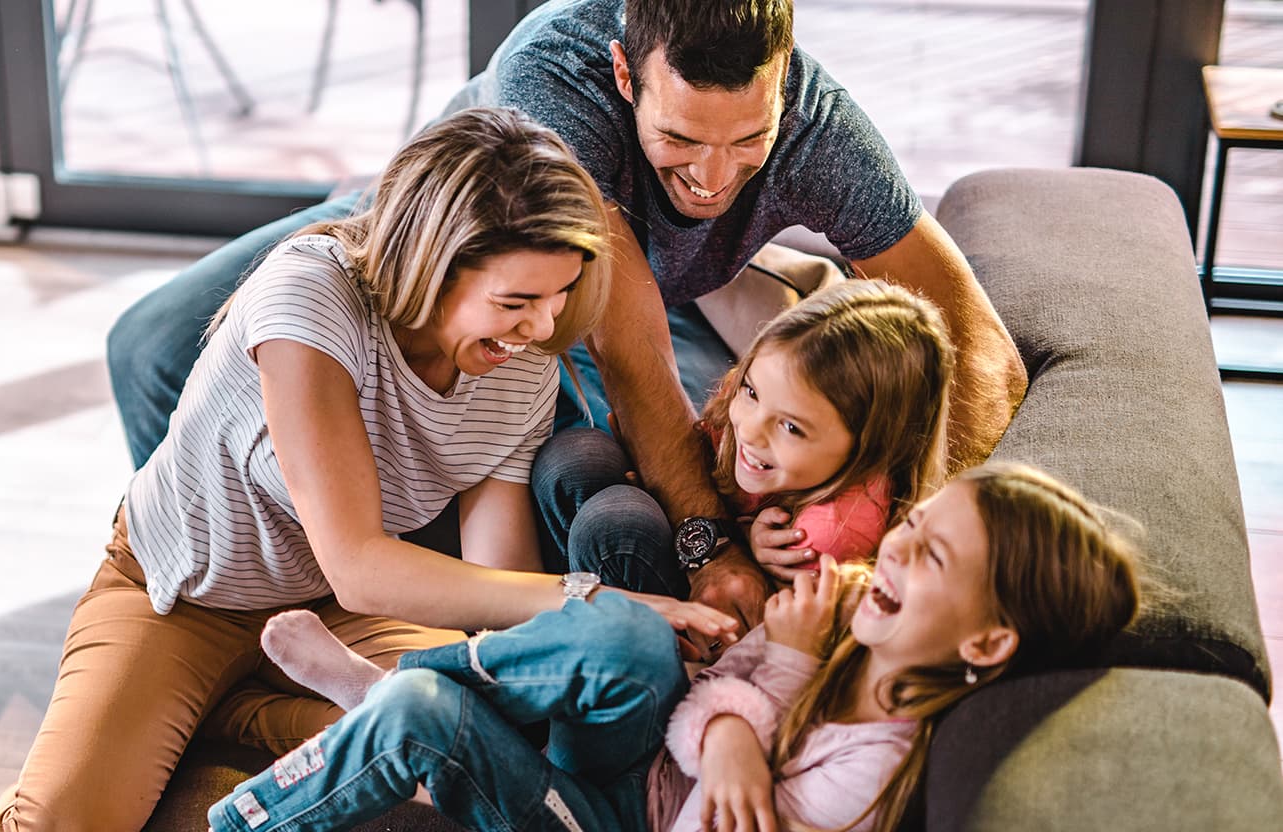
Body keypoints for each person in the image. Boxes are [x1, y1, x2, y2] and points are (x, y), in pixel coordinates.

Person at [105, 0, 1028, 638]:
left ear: (785, 79)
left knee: (718, 443)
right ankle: (238, 604)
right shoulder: (556, 76)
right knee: (148, 348)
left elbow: (984, 348)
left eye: (748, 141)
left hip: (614, 304)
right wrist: (709, 549)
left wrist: (905, 525)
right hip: (434, 236)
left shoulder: (821, 129)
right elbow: (626, 351)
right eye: (678, 143)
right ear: (627, 75)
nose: (712, 179)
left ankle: (361, 595)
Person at [0, 107, 738, 832]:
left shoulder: (520, 362)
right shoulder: (311, 297)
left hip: (339, 613)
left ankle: (240, 705)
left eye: (561, 296)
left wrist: (583, 639)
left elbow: (494, 581)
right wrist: (604, 600)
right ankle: (228, 707)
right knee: (60, 821)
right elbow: (357, 561)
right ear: (432, 266)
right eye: (517, 302)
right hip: (187, 593)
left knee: (478, 738)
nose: (544, 329)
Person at [205, 461, 1141, 832]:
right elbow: (700, 710)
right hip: (633, 769)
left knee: (420, 722)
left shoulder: (877, 767)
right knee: (627, 633)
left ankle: (254, 811)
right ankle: (405, 675)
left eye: (930, 553)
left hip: (623, 825)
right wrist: (738, 710)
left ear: (987, 638)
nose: (893, 544)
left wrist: (773, 676)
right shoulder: (852, 626)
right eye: (917, 521)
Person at [540, 279, 954, 602]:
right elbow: (706, 454)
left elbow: (770, 632)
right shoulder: (748, 411)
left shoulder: (830, 535)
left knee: (615, 525)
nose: (751, 430)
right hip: (707, 541)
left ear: (872, 447)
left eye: (791, 427)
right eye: (752, 393)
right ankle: (545, 599)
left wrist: (753, 553)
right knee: (575, 455)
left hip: (718, 634)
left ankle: (602, 656)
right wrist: (659, 474)